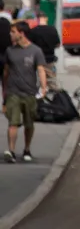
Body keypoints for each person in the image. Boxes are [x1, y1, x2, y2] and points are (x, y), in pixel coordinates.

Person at [3, 22, 48, 163]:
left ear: (21, 33)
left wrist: (44, 87)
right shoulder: (10, 51)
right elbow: (6, 71)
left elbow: (40, 69)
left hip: (29, 92)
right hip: (13, 92)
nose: (10, 34)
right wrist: (4, 91)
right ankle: (11, 151)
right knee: (13, 122)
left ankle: (27, 149)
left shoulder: (36, 51)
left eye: (13, 31)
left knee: (29, 124)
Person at [28, 12, 61, 90]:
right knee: (52, 80)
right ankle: (54, 95)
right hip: (50, 59)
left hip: (37, 60)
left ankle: (40, 93)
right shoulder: (52, 29)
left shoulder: (33, 31)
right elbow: (58, 44)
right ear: (46, 18)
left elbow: (30, 45)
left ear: (37, 19)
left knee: (37, 80)